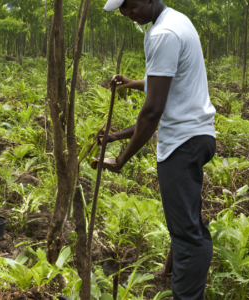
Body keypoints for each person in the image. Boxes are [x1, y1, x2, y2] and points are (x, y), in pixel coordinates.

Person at [98, 0, 216, 299]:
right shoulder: (177, 21)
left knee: (189, 236)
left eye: (131, 6)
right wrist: (130, 87)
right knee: (185, 219)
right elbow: (164, 84)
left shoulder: (162, 34)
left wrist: (122, 158)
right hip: (196, 136)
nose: (128, 14)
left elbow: (153, 111)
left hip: (182, 142)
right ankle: (171, 269)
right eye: (124, 11)